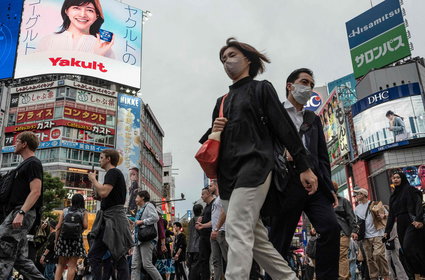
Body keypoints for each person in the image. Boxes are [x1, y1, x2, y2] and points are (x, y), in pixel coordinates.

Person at [200, 38, 317, 280]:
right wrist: (216, 126)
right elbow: (212, 140)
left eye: (232, 55)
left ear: (248, 60)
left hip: (255, 164)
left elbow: (284, 127)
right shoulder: (221, 101)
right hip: (227, 174)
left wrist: (304, 165)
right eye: (223, 59)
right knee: (255, 238)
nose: (227, 62)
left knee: (236, 228)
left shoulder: (261, 88)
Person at [268, 68, 340, 280]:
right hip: (286, 183)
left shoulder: (313, 118)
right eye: (304, 82)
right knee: (279, 241)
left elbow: (323, 156)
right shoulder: (275, 113)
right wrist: (282, 153)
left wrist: (329, 188)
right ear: (290, 86)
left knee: (330, 228)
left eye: (311, 83)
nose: (308, 87)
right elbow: (265, 146)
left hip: (315, 184)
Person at [0, 131, 45, 280]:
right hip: (17, 212)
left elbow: (36, 191)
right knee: (20, 260)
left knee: (3, 249)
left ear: (24, 143)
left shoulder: (33, 163)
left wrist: (21, 212)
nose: (15, 144)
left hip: (21, 212)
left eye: (17, 141)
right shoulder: (24, 165)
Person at [87, 149, 134, 280]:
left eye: (101, 157)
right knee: (117, 255)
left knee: (99, 255)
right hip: (111, 219)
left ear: (108, 159)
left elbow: (104, 192)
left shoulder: (112, 172)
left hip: (111, 220)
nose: (99, 160)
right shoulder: (115, 174)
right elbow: (107, 196)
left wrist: (93, 179)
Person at [37, 0, 115, 58]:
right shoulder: (48, 40)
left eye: (89, 10)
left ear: (96, 16)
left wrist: (99, 56)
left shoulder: (104, 48)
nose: (82, 14)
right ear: (66, 11)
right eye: (76, 8)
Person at [385, 171, 425, 279]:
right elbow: (391, 216)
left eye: (398, 177)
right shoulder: (393, 196)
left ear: (402, 178)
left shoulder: (410, 189)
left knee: (408, 248)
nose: (396, 179)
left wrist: (418, 219)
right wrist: (387, 231)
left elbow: (418, 204)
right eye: (394, 178)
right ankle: (413, 275)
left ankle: (421, 271)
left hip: (411, 222)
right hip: (400, 225)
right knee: (405, 252)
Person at [353, 188, 389, 280]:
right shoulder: (356, 209)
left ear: (364, 194)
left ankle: (386, 275)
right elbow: (356, 223)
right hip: (365, 237)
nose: (356, 196)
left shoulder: (375, 204)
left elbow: (388, 214)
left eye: (358, 194)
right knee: (369, 259)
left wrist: (383, 216)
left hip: (377, 234)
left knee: (378, 255)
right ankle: (374, 277)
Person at [54, 193, 88, 280]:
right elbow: (85, 226)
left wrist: (56, 241)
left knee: (60, 264)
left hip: (63, 239)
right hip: (76, 240)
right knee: (72, 266)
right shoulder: (83, 212)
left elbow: (58, 227)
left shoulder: (65, 211)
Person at [132, 190, 162, 280]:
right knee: (134, 265)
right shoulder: (140, 209)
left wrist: (142, 221)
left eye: (137, 197)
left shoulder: (149, 205)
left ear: (143, 198)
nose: (135, 199)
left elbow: (155, 217)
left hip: (147, 239)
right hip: (139, 239)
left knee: (147, 265)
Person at [333, 181, 357, 280]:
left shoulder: (343, 201)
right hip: (329, 235)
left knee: (342, 256)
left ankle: (343, 278)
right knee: (333, 257)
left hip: (342, 233)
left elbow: (351, 217)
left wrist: (354, 230)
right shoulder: (323, 202)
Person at [209, 180, 228, 280]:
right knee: (216, 261)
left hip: (222, 231)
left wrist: (216, 229)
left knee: (227, 259)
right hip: (214, 232)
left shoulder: (223, 198)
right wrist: (203, 225)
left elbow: (224, 212)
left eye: (211, 185)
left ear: (216, 185)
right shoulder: (216, 200)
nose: (209, 187)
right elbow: (214, 219)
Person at [195, 187, 215, 280]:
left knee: (216, 260)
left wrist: (202, 226)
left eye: (203, 194)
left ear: (209, 194)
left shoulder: (214, 204)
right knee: (203, 260)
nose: (201, 196)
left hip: (212, 235)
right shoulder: (206, 206)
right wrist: (199, 224)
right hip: (204, 236)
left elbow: (215, 220)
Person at [187, 204, 202, 280]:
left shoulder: (191, 221)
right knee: (196, 267)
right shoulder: (201, 220)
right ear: (201, 210)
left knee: (191, 266)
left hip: (190, 247)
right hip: (198, 247)